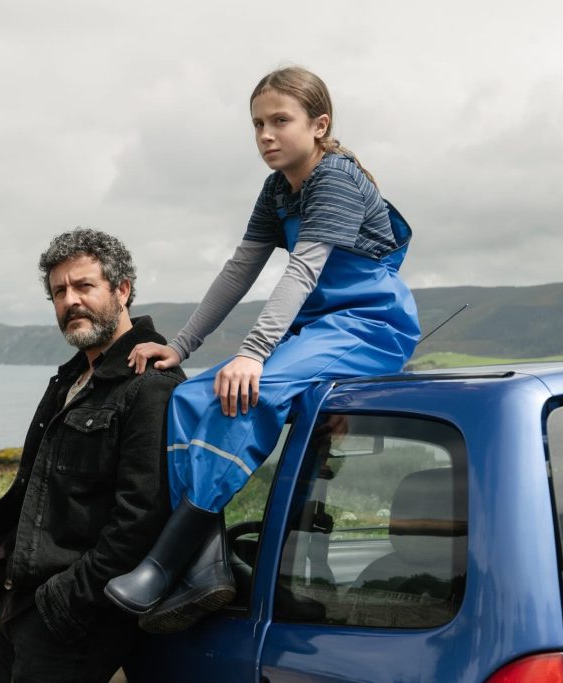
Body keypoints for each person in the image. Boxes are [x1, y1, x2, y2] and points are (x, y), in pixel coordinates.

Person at [104, 66, 422, 632]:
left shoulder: (335, 179)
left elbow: (302, 272)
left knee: (249, 392)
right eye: (257, 124)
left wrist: (252, 354)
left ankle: (164, 562)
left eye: (280, 121)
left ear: (319, 125)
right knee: (189, 398)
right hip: (318, 329)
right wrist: (181, 346)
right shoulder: (278, 189)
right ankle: (204, 564)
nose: (266, 136)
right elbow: (239, 271)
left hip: (369, 327)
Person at [0, 228, 185, 683]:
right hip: (22, 605)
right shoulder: (71, 378)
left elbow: (141, 520)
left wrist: (64, 602)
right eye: (58, 292)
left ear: (122, 290)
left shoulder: (150, 385)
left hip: (73, 621)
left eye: (84, 286)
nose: (70, 301)